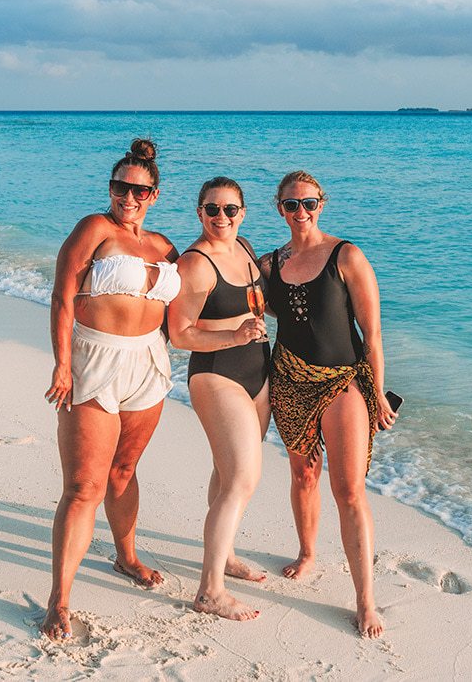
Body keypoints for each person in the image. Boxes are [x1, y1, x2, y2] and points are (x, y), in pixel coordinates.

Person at [41, 139, 179, 641]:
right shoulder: (94, 229)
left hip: (149, 364)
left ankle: (126, 556)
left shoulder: (165, 246)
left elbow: (199, 293)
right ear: (111, 187)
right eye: (122, 186)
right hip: (92, 360)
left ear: (155, 195)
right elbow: (61, 296)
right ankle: (59, 599)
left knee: (124, 470)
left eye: (140, 190)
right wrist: (61, 364)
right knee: (83, 487)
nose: (130, 197)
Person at [259, 171, 398, 638]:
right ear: (279, 208)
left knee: (349, 490)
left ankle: (366, 601)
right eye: (291, 204)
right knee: (302, 474)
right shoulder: (269, 263)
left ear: (322, 204)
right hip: (290, 379)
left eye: (309, 203)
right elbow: (241, 292)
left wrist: (377, 391)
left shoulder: (347, 256)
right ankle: (307, 552)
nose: (301, 212)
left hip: (342, 382)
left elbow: (373, 334)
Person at [168, 177, 270, 621]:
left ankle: (223, 556)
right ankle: (210, 591)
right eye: (212, 210)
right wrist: (235, 334)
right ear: (199, 213)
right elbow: (179, 333)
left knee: (226, 471)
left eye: (230, 210)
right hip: (216, 374)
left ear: (243, 213)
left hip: (258, 373)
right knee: (243, 479)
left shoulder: (245, 248)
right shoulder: (194, 264)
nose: (221, 218)